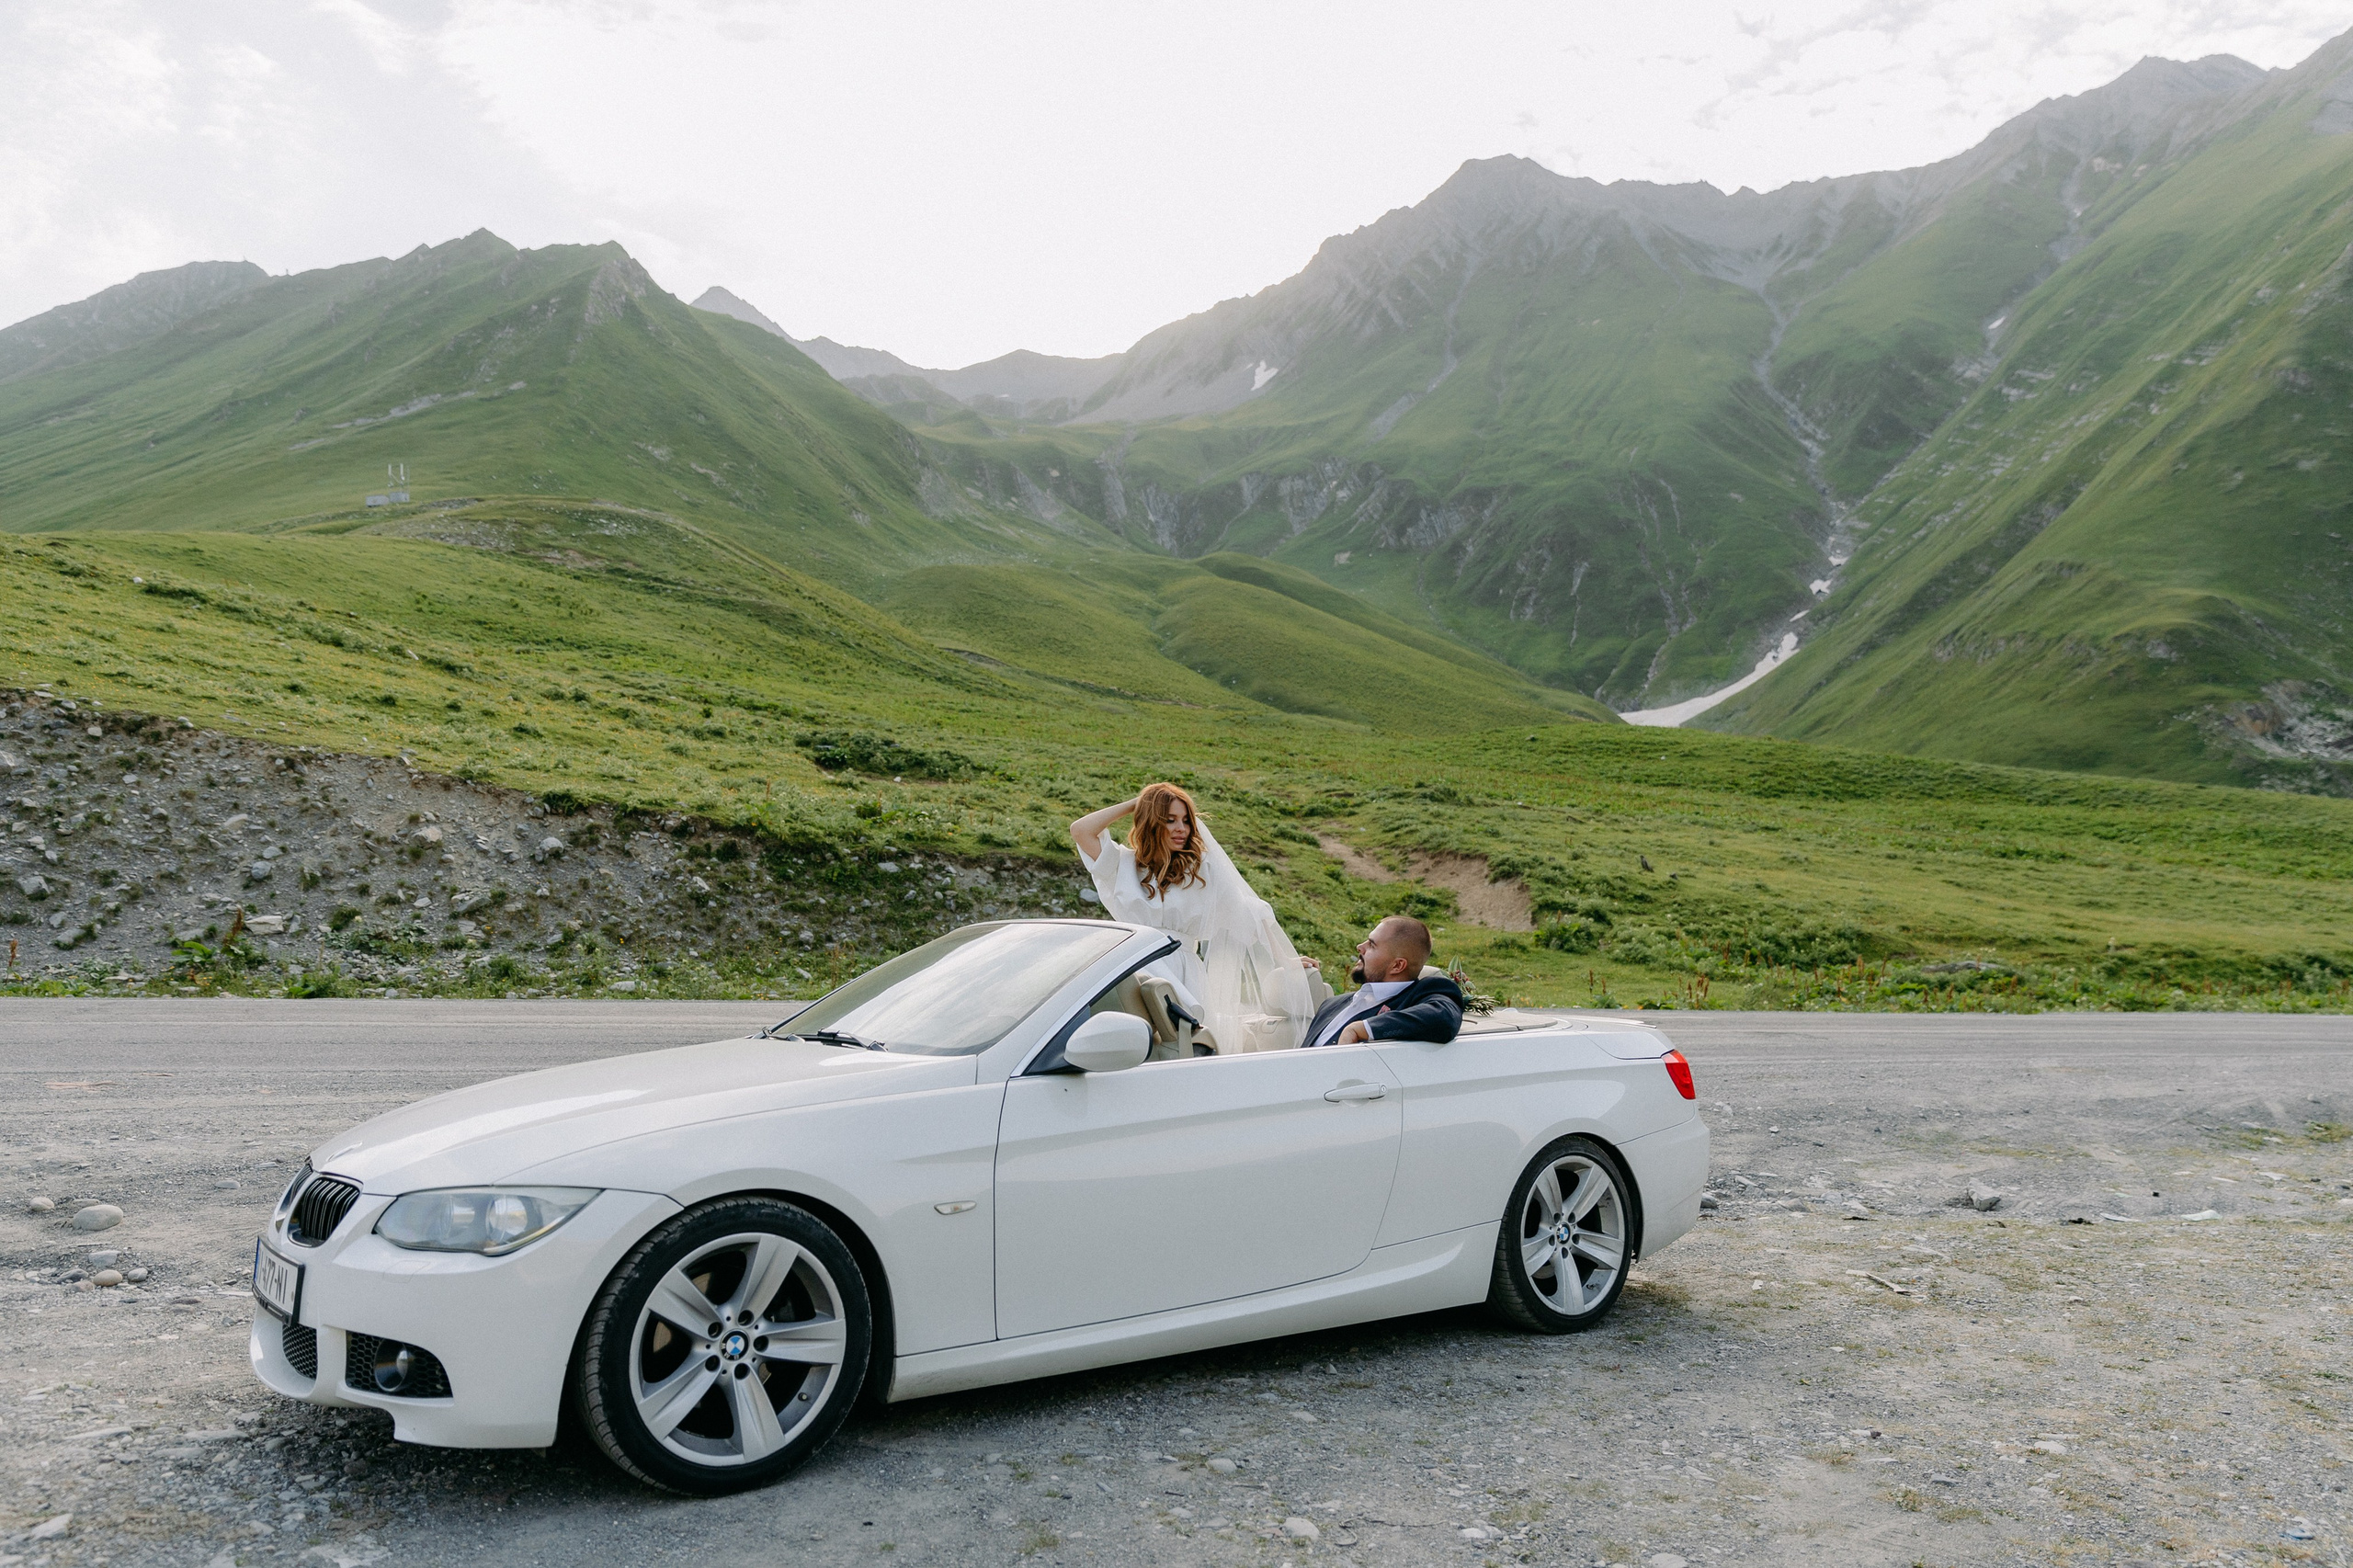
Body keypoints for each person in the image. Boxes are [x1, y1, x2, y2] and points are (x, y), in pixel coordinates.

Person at [1069, 783, 1318, 1052]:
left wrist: (1284, 959)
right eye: (1170, 820)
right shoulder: (1122, 865)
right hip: (1135, 965)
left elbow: (1249, 910)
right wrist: (1138, 803)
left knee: (1185, 1048)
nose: (1181, 828)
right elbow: (1081, 830)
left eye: (1186, 821)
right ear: (1151, 822)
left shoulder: (1200, 872)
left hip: (1182, 970)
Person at [1303, 914, 1464, 1048]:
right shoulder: (1331, 1005)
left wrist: (1362, 1028)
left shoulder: (1422, 995)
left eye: (1372, 945)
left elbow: (1443, 1018)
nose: (1360, 947)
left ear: (1397, 965)